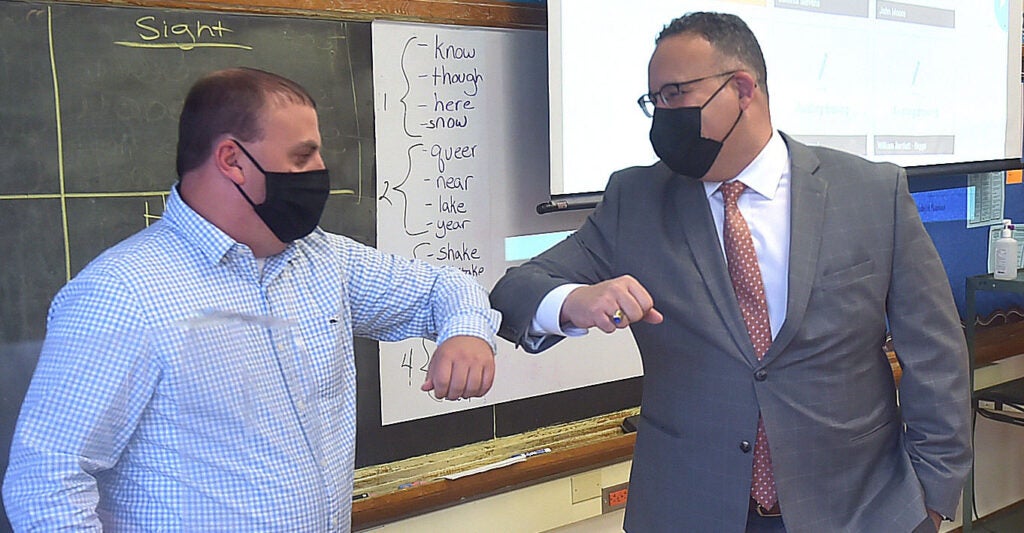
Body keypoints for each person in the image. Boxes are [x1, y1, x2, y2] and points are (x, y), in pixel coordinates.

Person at [490, 12, 970, 533]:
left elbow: (936, 356)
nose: (663, 115)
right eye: (654, 101)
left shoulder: (871, 193)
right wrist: (571, 301)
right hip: (690, 510)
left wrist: (932, 499)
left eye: (675, 94)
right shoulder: (637, 199)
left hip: (859, 512)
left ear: (742, 89)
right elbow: (514, 292)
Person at [3, 67, 500, 530]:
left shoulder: (322, 259)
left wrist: (467, 333)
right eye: (302, 157)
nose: (321, 171)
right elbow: (46, 481)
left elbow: (443, 287)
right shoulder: (121, 294)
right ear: (232, 161)